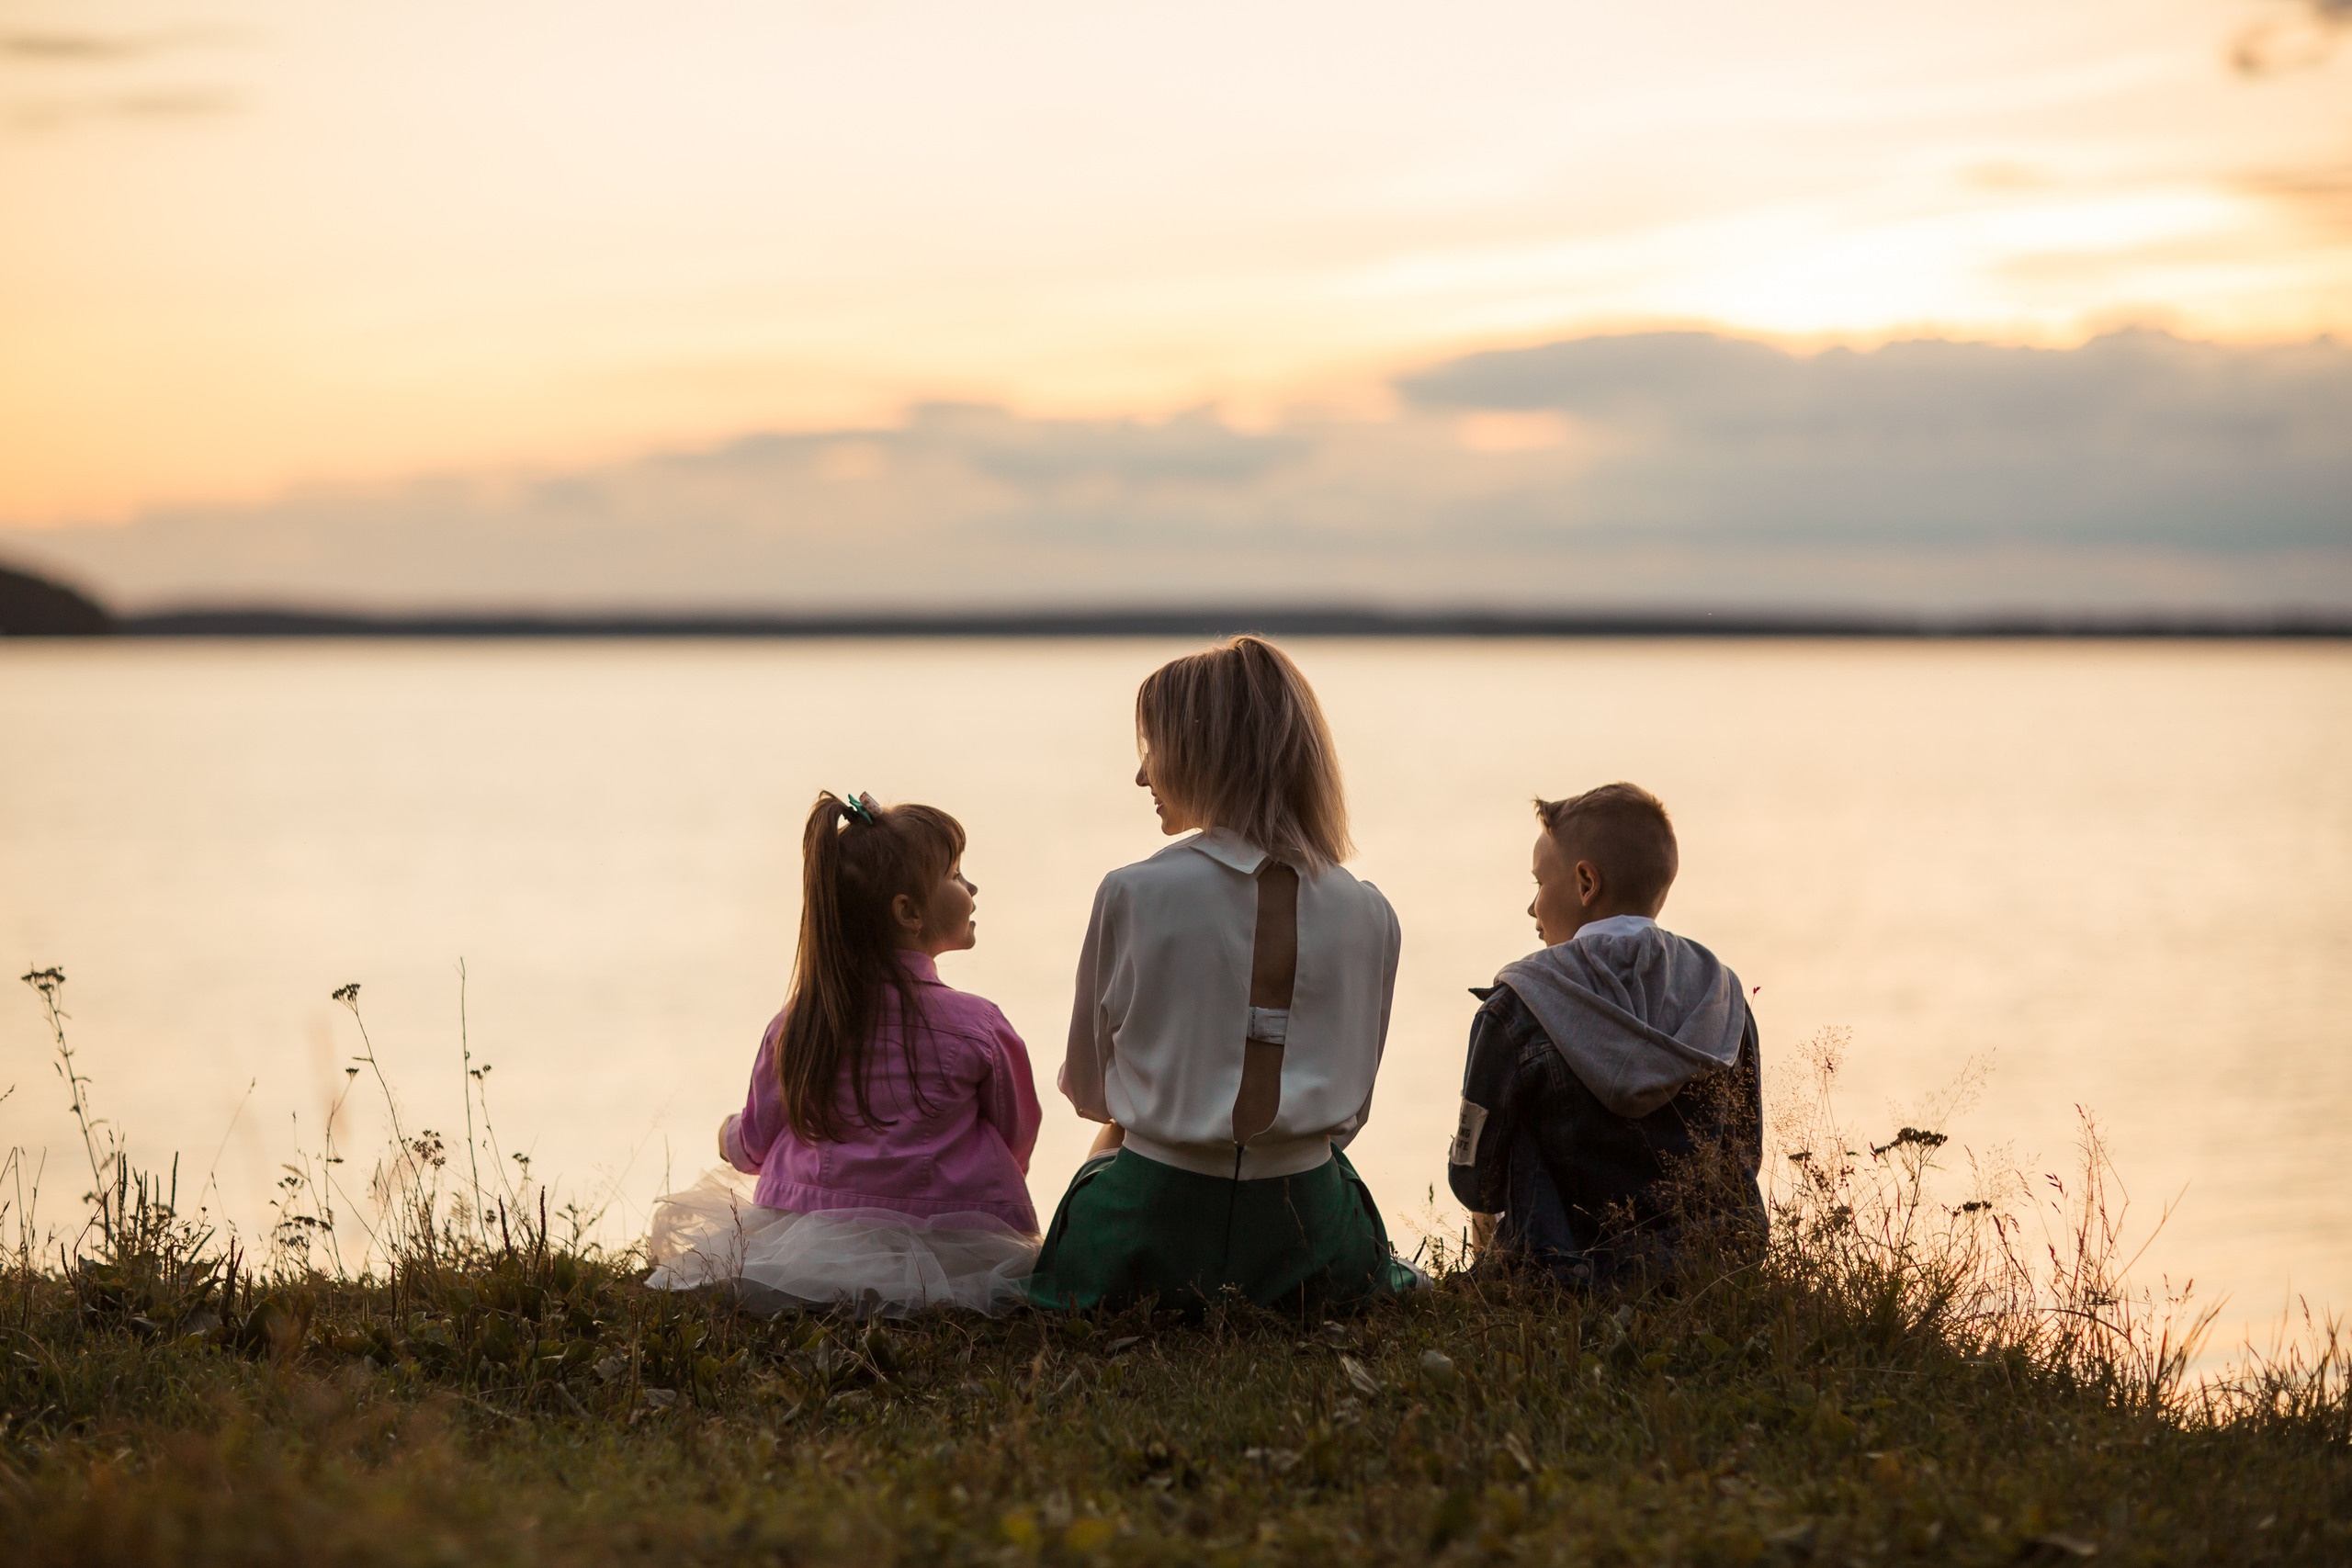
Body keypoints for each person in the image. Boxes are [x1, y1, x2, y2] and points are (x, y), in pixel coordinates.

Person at [1027, 636, 1423, 1313]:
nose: (1141, 775)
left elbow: (1095, 1094)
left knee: (1102, 1185)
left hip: (1145, 1242)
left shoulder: (1132, 893)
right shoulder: (1372, 913)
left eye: (1152, 746)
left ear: (1205, 750)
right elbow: (1350, 1115)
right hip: (1312, 1242)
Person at [647, 791, 1043, 1315]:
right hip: (956, 1246)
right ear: (908, 913)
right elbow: (1017, 1137)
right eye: (955, 874)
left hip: (813, 1245)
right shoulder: (980, 1025)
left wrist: (727, 1135)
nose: (971, 887)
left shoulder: (799, 1024)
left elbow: (755, 1144)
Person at [1447, 783, 1763, 1287]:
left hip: (1560, 1282)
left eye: (1538, 883)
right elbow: (1744, 1155)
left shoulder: (1518, 1006)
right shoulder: (1722, 998)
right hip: (1709, 1276)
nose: (1532, 908)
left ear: (1586, 883)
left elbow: (1473, 1179)